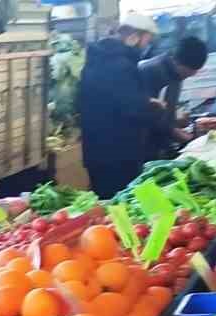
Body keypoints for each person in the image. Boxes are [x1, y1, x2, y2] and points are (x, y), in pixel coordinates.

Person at [78, 12, 170, 197]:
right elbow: (132, 109)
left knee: (106, 203)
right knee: (121, 205)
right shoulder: (121, 65)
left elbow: (108, 100)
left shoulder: (97, 59)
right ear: (134, 37)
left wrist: (143, 100)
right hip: (118, 155)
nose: (146, 46)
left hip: (96, 151)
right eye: (146, 40)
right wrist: (156, 108)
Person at [140, 35, 208, 157]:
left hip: (163, 144)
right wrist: (176, 133)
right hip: (145, 147)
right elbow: (145, 115)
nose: (190, 75)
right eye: (188, 72)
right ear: (176, 61)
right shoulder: (150, 71)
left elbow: (165, 110)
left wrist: (176, 120)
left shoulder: (176, 74)